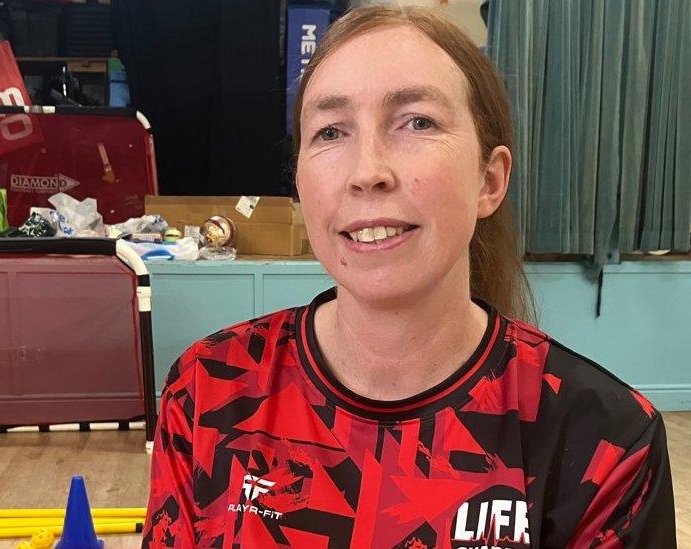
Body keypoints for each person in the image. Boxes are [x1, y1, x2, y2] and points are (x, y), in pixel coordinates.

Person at [142, 6, 676, 548]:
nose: (368, 171)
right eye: (331, 131)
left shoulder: (607, 443)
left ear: (490, 181)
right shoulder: (209, 390)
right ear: (300, 183)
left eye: (417, 122)